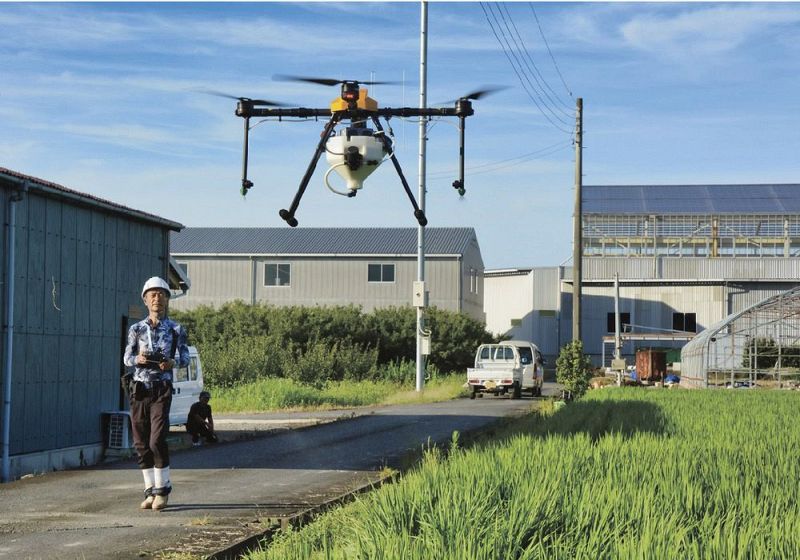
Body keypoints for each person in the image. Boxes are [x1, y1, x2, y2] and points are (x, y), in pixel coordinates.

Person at [123, 276, 189, 511]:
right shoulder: (136, 329)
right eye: (152, 295)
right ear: (145, 300)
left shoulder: (176, 329)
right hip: (139, 390)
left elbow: (185, 358)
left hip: (161, 389)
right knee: (140, 442)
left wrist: (171, 362)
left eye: (161, 294)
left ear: (167, 300)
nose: (156, 299)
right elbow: (126, 358)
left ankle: (163, 490)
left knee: (156, 439)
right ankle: (150, 491)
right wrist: (138, 359)